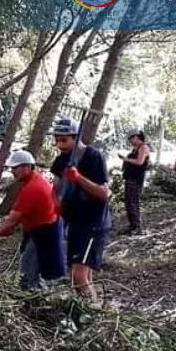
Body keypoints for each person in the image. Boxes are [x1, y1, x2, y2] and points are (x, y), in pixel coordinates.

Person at [0, 150, 65, 290]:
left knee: (27, 272)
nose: (12, 171)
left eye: (15, 168)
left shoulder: (33, 188)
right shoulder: (32, 180)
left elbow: (11, 221)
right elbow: (20, 217)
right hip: (41, 228)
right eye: (11, 168)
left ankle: (32, 301)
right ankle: (39, 294)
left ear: (27, 167)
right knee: (30, 268)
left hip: (44, 233)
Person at [49, 118, 111, 303]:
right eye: (57, 139)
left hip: (93, 224)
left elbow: (104, 194)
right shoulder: (60, 161)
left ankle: (93, 314)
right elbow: (56, 187)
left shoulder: (94, 157)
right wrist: (56, 204)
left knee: (79, 276)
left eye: (64, 140)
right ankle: (92, 309)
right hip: (74, 223)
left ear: (76, 137)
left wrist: (78, 179)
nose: (59, 144)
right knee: (80, 276)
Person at [118, 129, 150, 234]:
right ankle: (132, 225)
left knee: (133, 202)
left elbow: (140, 162)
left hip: (136, 179)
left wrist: (125, 159)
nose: (130, 141)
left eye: (131, 138)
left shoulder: (143, 148)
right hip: (130, 178)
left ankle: (137, 226)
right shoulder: (135, 149)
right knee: (128, 202)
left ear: (136, 137)